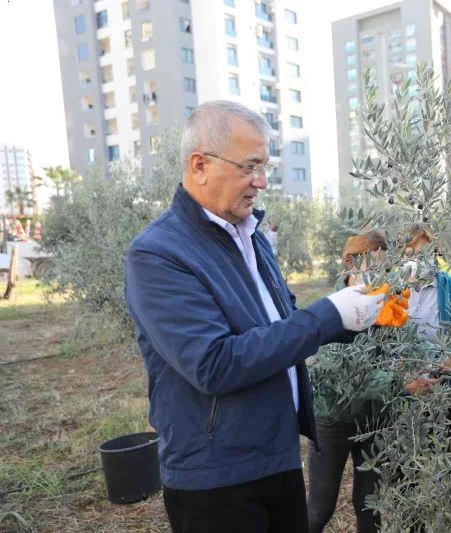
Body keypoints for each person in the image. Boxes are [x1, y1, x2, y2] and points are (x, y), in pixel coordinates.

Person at [124, 100, 384, 533]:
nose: (261, 181)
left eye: (265, 167)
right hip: (215, 476)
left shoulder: (250, 236)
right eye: (250, 167)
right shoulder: (157, 254)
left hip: (276, 454)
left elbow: (279, 324)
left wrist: (353, 316)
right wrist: (329, 313)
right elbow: (214, 363)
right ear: (200, 165)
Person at [307, 230, 394, 533]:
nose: (382, 274)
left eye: (386, 267)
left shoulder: (386, 304)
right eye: (376, 266)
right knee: (319, 509)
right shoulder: (328, 309)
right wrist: (397, 383)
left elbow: (402, 348)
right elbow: (339, 373)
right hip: (331, 420)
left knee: (370, 508)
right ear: (350, 263)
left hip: (374, 419)